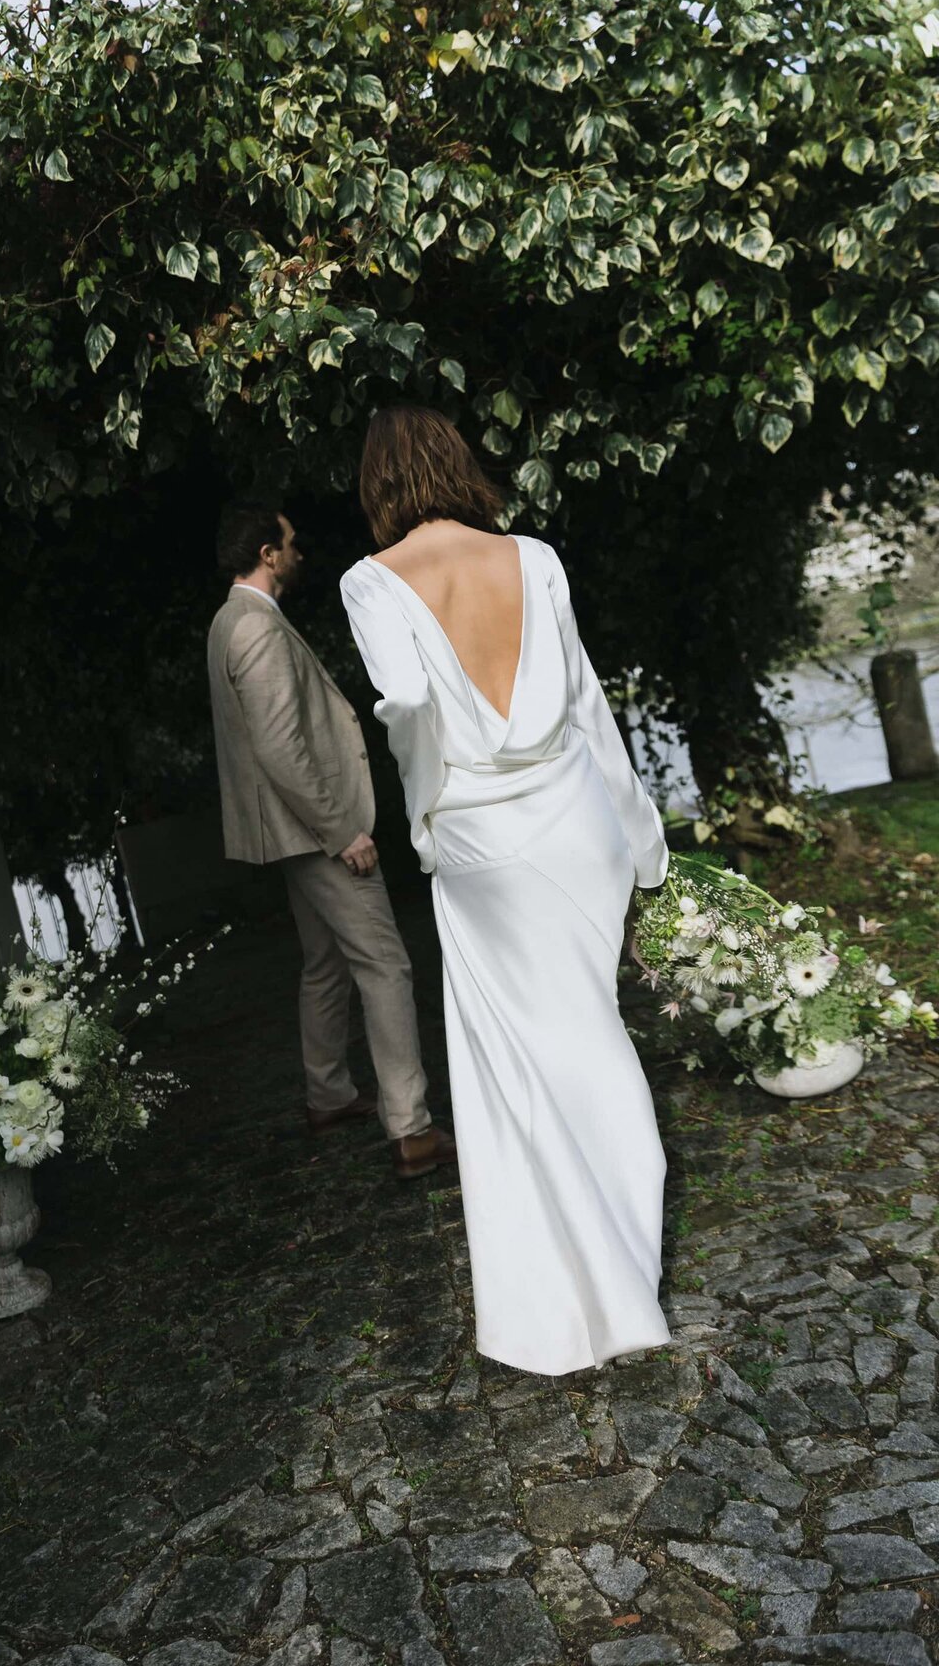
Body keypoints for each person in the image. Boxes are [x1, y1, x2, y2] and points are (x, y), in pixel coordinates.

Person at [339, 408, 671, 1375]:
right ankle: (621, 1254)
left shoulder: (371, 581)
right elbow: (585, 701)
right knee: (591, 1023)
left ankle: (577, 1283)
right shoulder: (535, 556)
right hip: (576, 825)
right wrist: (641, 842)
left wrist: (425, 818)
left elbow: (405, 708)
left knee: (519, 1056)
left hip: (482, 838)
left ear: (378, 489)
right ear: (457, 464)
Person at [207, 502, 458, 1180]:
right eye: (290, 542)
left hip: (289, 833)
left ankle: (329, 1094)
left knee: (324, 962)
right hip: (315, 829)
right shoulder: (255, 626)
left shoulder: (228, 621)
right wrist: (341, 830)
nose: (300, 552)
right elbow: (281, 747)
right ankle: (411, 1130)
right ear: (266, 553)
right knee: (385, 965)